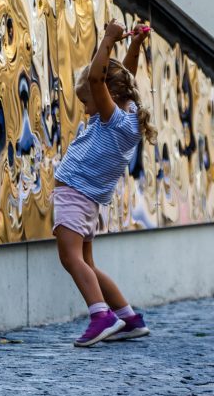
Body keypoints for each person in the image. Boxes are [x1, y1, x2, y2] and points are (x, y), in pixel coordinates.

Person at [54, 20, 157, 347]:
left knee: (70, 259)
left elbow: (100, 77)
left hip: (75, 193)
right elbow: (122, 77)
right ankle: (128, 318)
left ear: (106, 96)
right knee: (87, 264)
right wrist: (135, 46)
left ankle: (101, 316)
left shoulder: (113, 121)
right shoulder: (126, 116)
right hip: (88, 200)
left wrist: (109, 39)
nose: (85, 109)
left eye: (87, 101)